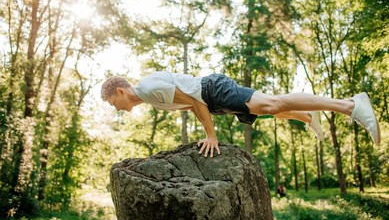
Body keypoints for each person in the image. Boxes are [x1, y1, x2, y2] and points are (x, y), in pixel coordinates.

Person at [101, 71, 381, 157]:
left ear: (121, 91)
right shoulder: (151, 98)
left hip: (212, 92)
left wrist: (211, 135)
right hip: (214, 100)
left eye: (113, 102)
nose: (117, 108)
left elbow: (196, 102)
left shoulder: (148, 89)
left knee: (272, 104)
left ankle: (350, 105)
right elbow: (191, 106)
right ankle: (308, 116)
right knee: (268, 110)